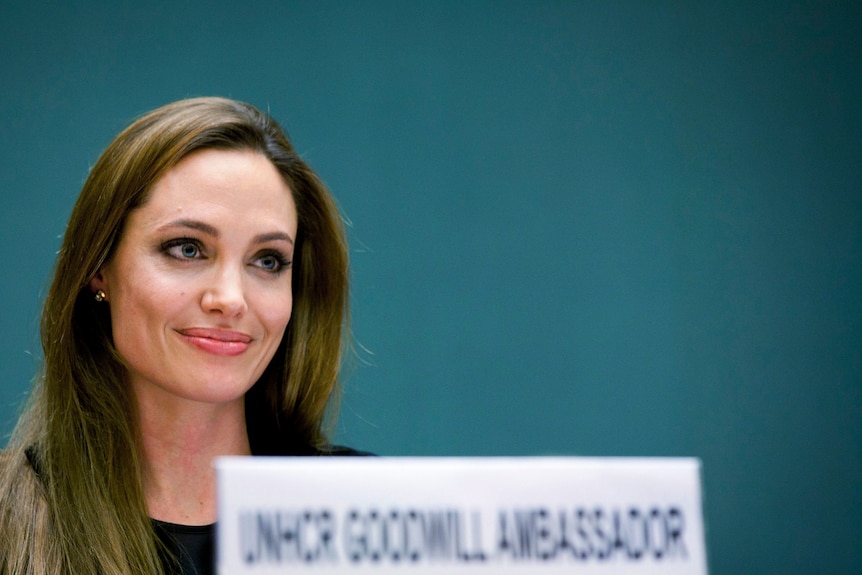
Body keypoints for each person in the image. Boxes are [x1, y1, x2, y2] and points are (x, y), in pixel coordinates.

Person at [0, 97, 366, 575]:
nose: (231, 298)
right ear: (98, 269)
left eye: (268, 260)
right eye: (187, 249)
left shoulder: (369, 515)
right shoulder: (12, 525)